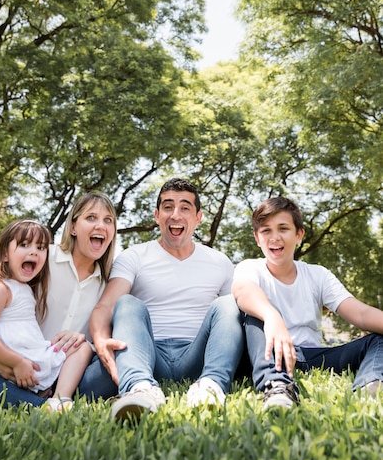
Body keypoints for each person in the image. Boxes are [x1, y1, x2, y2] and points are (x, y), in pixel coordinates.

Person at [90, 177, 244, 420]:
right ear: (157, 215)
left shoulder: (220, 262)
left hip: (197, 353)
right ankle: (140, 389)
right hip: (148, 354)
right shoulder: (134, 256)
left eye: (185, 208)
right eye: (168, 207)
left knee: (228, 303)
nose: (176, 215)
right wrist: (100, 341)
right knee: (128, 302)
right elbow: (106, 306)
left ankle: (211, 386)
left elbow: (232, 320)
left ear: (198, 217)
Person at [0, 191, 118, 411]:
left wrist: (84, 342)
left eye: (108, 220)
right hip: (12, 370)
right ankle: (44, 407)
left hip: (66, 375)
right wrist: (3, 365)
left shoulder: (107, 285)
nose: (101, 226)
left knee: (111, 368)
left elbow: (101, 339)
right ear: (73, 227)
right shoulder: (42, 260)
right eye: (91, 217)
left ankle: (54, 401)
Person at [232, 196, 383, 409]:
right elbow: (243, 291)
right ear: (257, 238)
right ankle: (277, 385)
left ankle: (370, 386)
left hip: (313, 356)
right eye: (266, 231)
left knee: (378, 339)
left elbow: (360, 313)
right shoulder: (250, 268)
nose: (274, 237)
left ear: (299, 235)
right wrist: (272, 317)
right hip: (270, 355)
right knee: (254, 313)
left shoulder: (317, 274)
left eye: (283, 229)